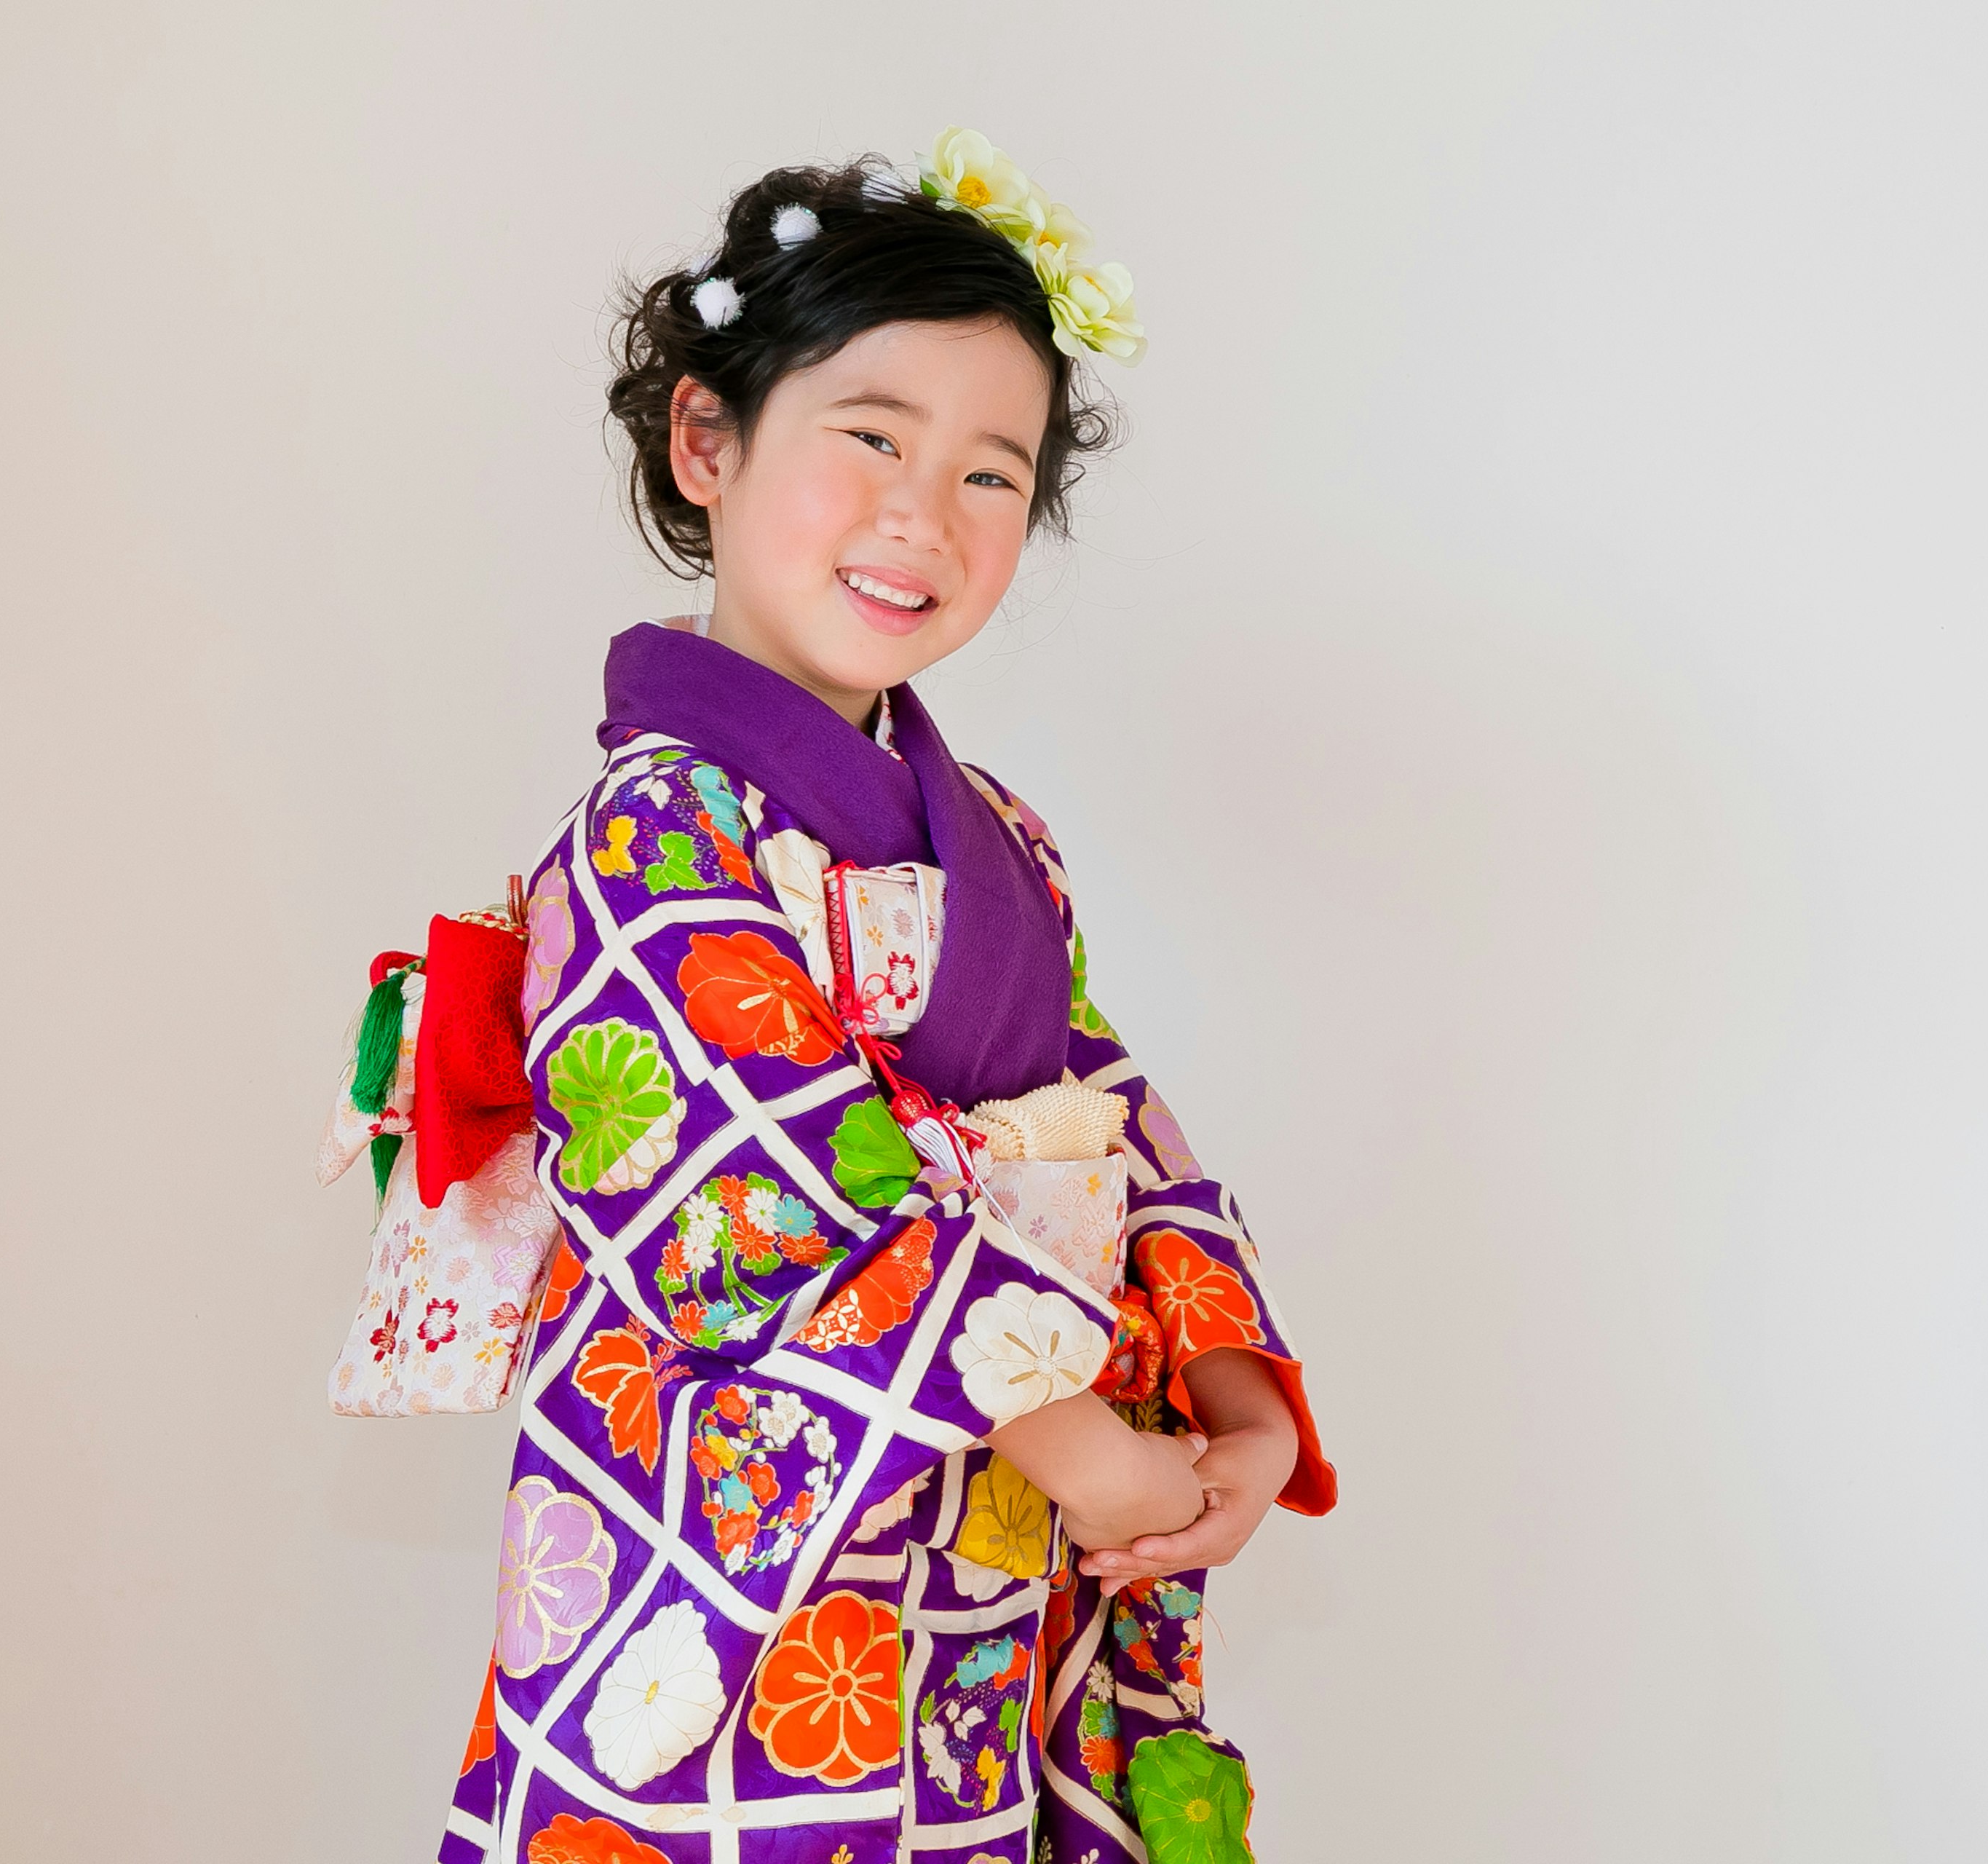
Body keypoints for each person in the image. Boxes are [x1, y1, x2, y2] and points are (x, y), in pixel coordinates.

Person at [442, 132, 1334, 1864]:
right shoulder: (648, 834)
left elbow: (1110, 1107)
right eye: (869, 437)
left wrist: (1234, 1384)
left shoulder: (999, 835)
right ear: (709, 439)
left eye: (993, 473)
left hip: (980, 1560)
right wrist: (1088, 1447)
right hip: (725, 1573)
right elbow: (764, 1211)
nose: (924, 513)